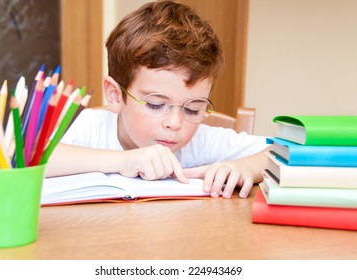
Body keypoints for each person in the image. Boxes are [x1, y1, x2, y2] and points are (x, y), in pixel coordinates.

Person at [46, 0, 269, 199]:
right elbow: (25, 158)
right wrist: (124, 160)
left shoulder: (198, 141)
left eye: (193, 109)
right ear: (115, 95)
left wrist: (246, 167)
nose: (175, 123)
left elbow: (289, 152)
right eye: (156, 104)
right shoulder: (91, 127)